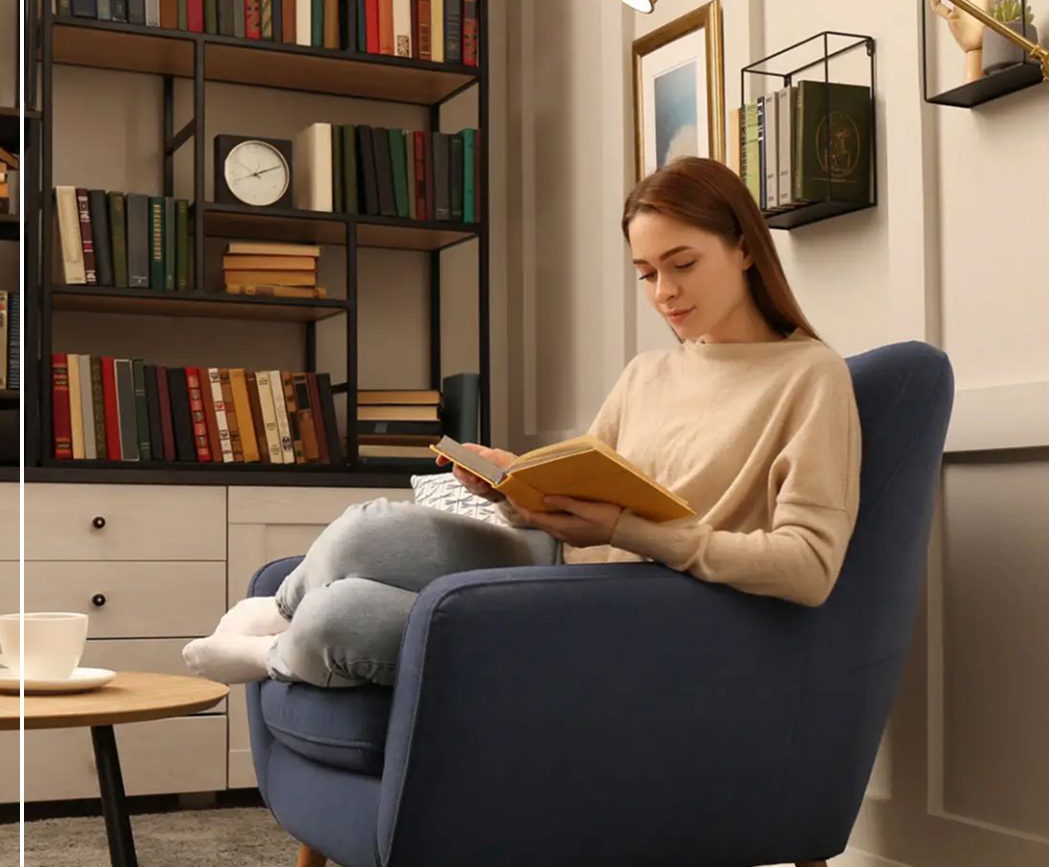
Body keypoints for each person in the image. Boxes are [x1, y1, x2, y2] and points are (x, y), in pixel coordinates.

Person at [182, 156, 861, 689]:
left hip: (638, 612)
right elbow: (587, 502)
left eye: (682, 265)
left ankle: (278, 649)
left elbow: (809, 569)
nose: (664, 293)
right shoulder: (649, 373)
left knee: (346, 618)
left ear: (745, 249)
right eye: (646, 273)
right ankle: (279, 614)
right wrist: (516, 490)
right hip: (560, 565)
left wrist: (630, 532)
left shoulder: (809, 377)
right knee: (368, 528)